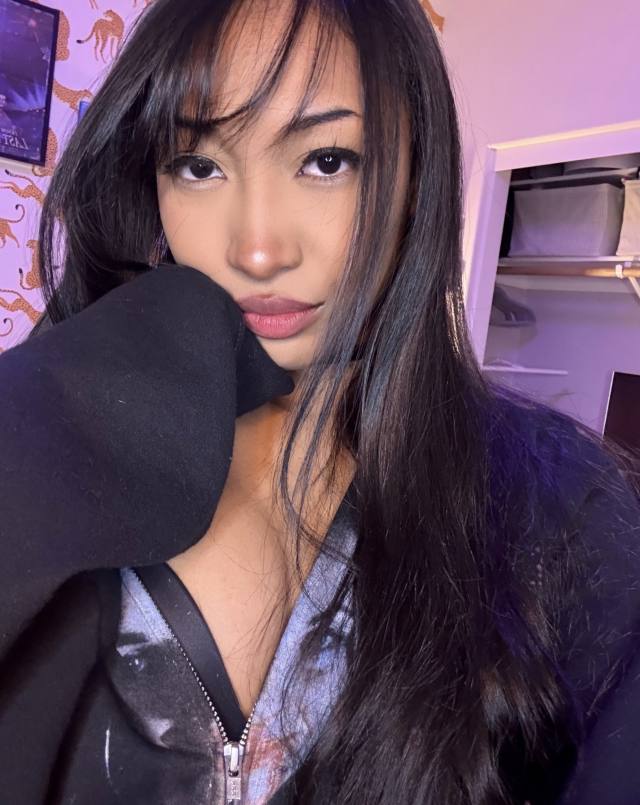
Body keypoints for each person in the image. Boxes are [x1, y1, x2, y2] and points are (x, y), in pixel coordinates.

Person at [1, 0, 640, 803]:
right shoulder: (48, 437)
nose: (258, 248)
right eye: (198, 166)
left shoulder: (566, 514)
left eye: (326, 160)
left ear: (416, 178)